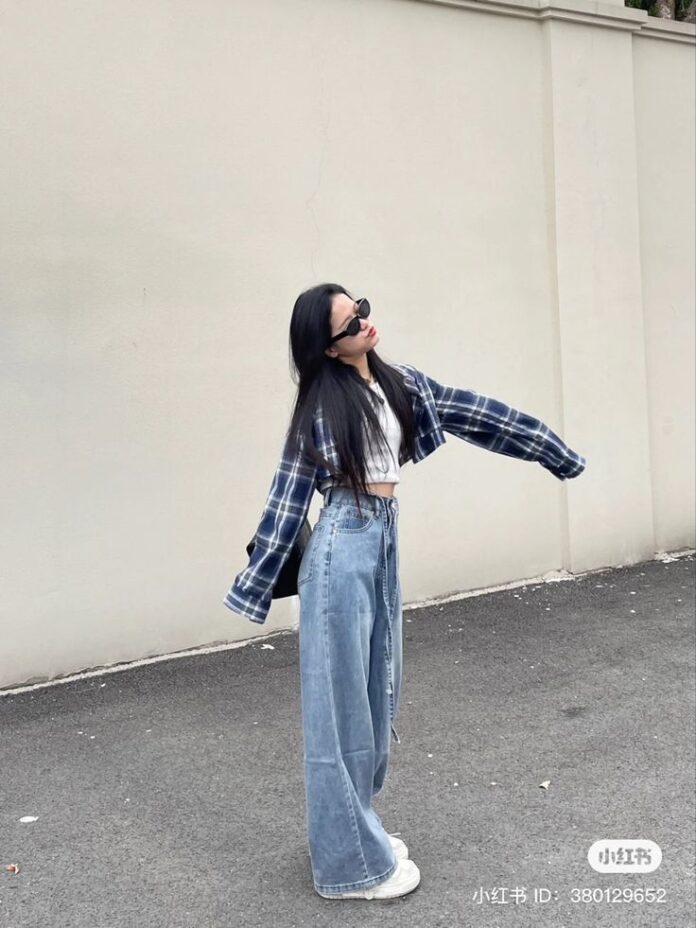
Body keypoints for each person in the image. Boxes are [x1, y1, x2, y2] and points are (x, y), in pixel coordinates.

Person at [223, 283, 587, 900]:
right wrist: (253, 587)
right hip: (341, 548)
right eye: (349, 325)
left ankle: (352, 830)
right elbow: (287, 498)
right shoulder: (320, 407)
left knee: (375, 695)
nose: (364, 324)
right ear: (328, 349)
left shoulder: (401, 384)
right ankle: (350, 868)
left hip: (382, 540)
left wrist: (552, 451)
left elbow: (479, 414)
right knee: (339, 711)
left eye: (360, 310)